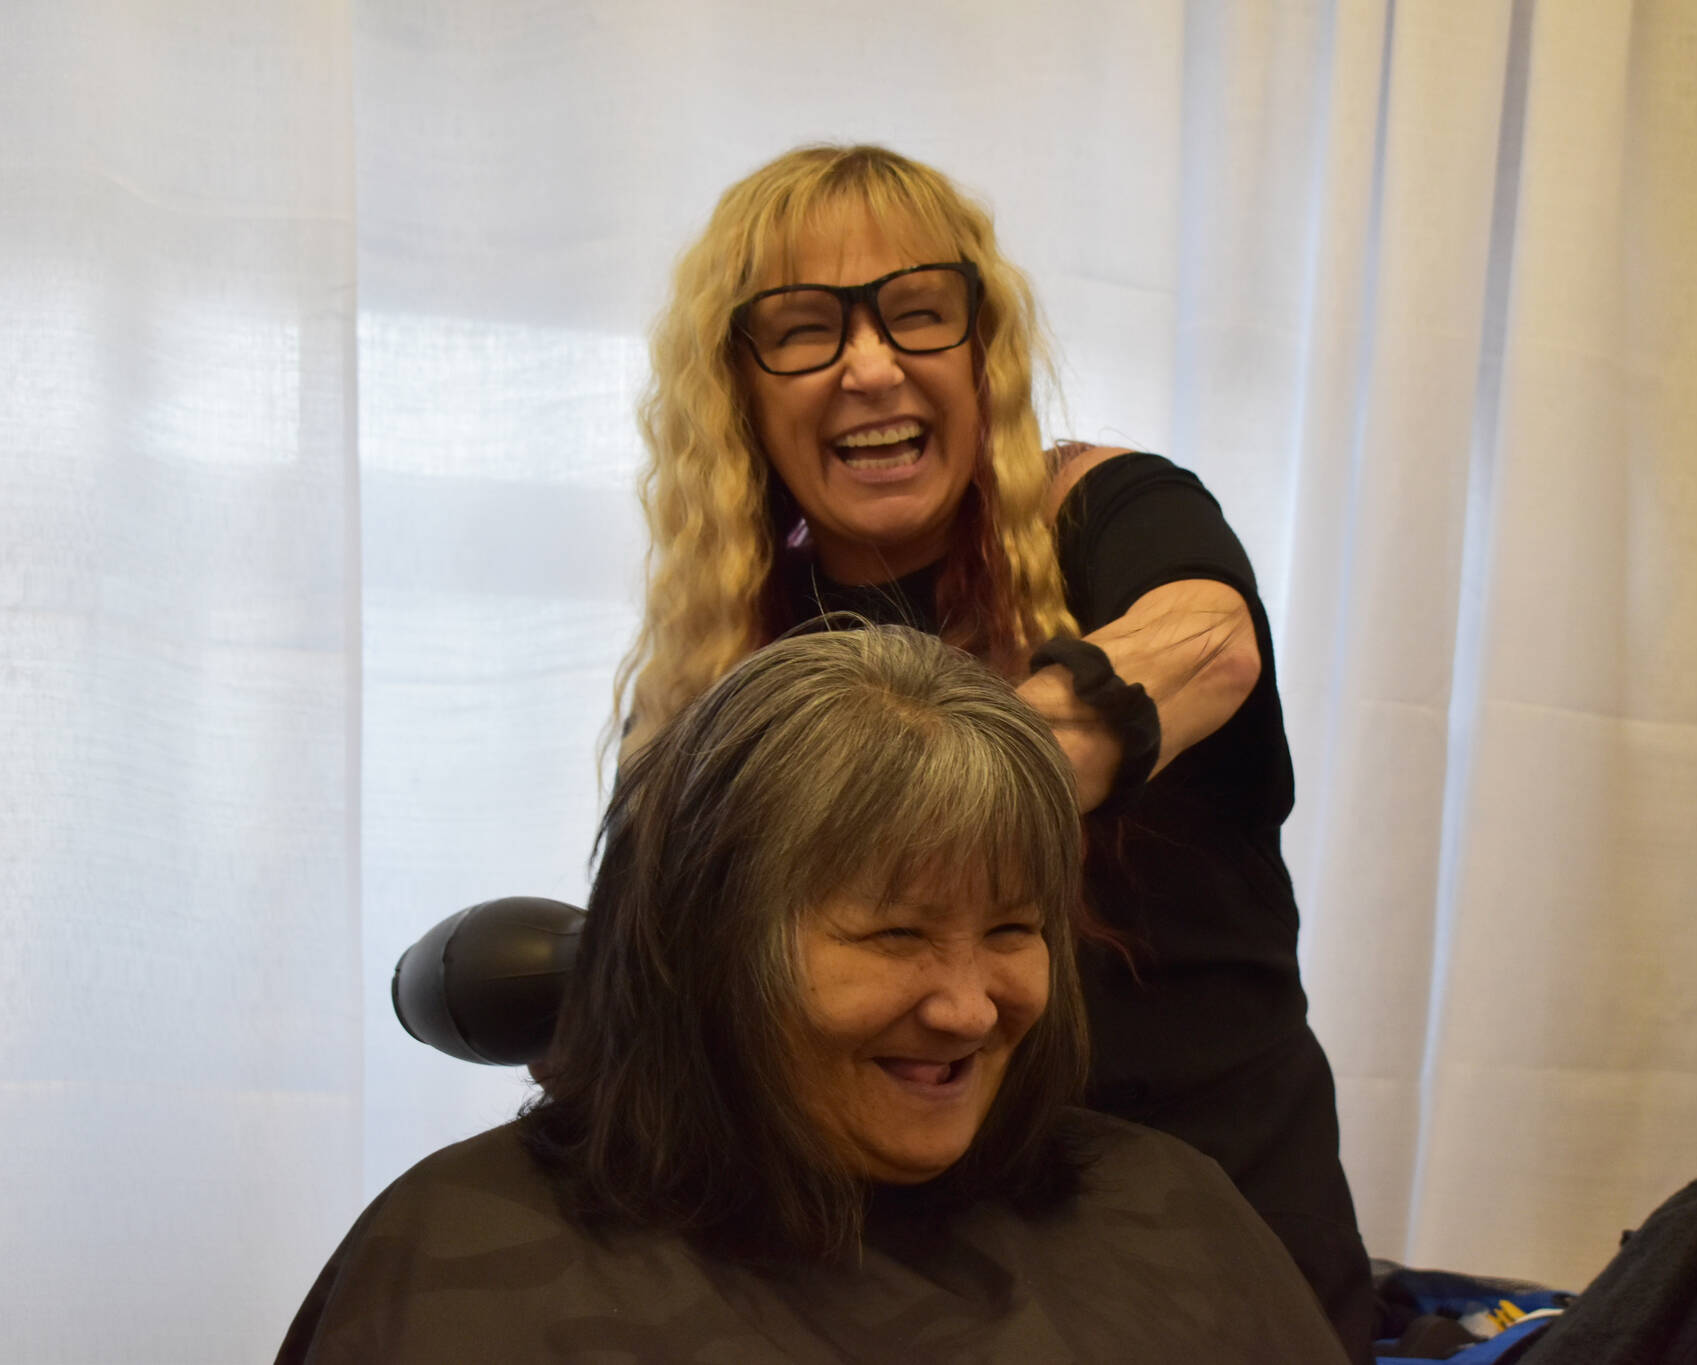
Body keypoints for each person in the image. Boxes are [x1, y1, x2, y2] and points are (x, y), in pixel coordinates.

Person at [607, 141, 1381, 1355]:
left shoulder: (1112, 507)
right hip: (883, 1278)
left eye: (918, 315)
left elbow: (1209, 647)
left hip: (1207, 1253)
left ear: (981, 352)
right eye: (805, 329)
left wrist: (907, 805)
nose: (872, 367)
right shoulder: (730, 655)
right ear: (741, 385)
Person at [281, 627, 1347, 1363]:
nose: (971, 1008)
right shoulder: (464, 1262)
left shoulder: (1164, 1217)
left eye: (1012, 931)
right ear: (709, 946)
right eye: (895, 936)